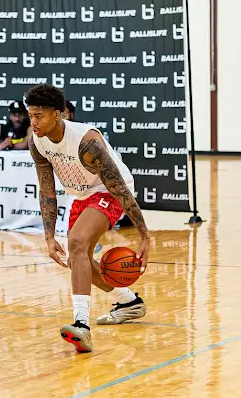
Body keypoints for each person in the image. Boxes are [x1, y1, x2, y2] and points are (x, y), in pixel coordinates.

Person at [25, 84, 149, 353]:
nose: (33, 122)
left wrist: (144, 235)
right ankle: (129, 302)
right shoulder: (36, 140)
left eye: (39, 116)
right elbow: (47, 190)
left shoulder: (86, 141)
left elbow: (119, 188)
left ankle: (82, 325)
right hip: (81, 194)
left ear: (57, 114)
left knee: (78, 242)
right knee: (78, 261)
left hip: (108, 190)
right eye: (31, 115)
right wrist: (49, 237)